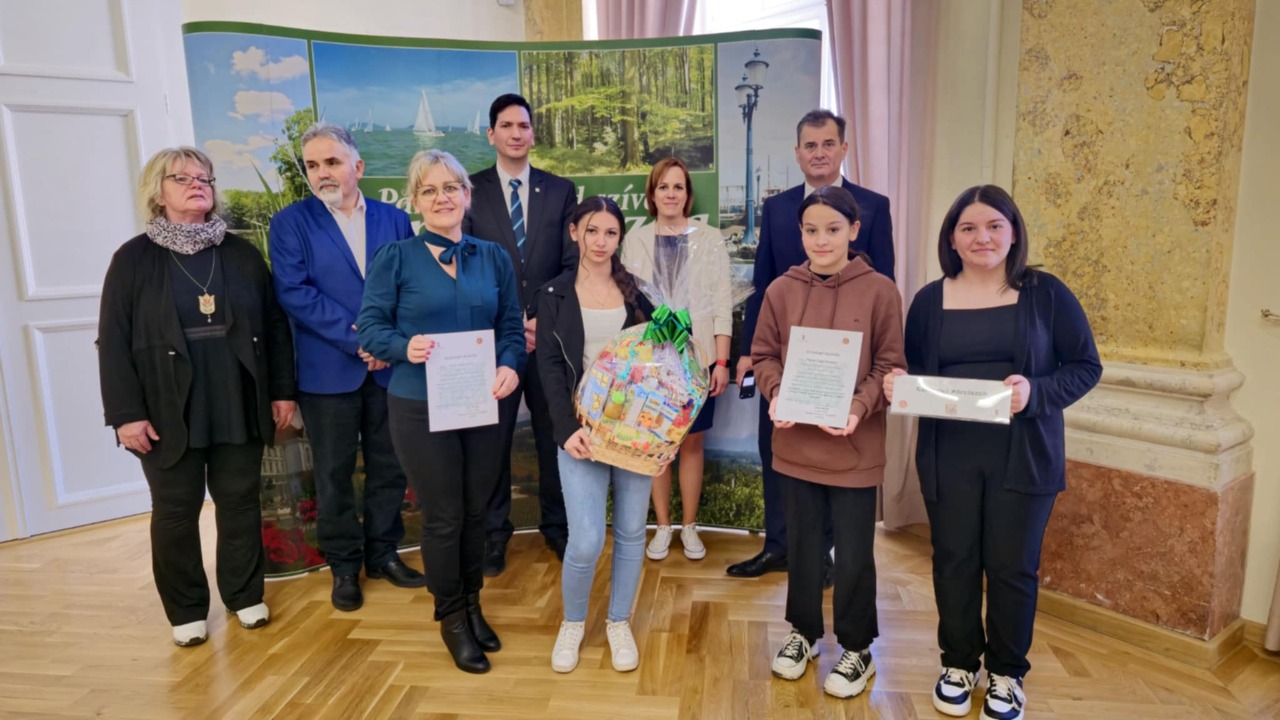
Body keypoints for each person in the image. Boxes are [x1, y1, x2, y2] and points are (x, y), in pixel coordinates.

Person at [884, 185, 1101, 720]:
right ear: (952, 239)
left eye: (994, 226)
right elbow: (916, 370)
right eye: (968, 228)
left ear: (1013, 232)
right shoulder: (929, 300)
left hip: (1023, 455)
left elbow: (1086, 367)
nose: (982, 237)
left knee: (1011, 568)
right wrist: (898, 384)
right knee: (953, 562)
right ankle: (958, 664)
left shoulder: (1046, 293)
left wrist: (1036, 392)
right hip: (948, 455)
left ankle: (1006, 673)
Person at [97, 147, 296, 646]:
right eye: (182, 178)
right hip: (166, 408)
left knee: (239, 503)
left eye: (204, 178)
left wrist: (281, 392)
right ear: (157, 192)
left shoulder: (241, 253)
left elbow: (274, 327)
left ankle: (244, 595)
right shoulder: (132, 259)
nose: (197, 185)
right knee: (175, 511)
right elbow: (113, 341)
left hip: (237, 397)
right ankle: (186, 610)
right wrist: (125, 415)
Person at [357, 149, 525, 674]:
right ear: (415, 201)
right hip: (418, 406)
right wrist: (402, 347)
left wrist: (510, 365)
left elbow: (511, 328)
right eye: (429, 190)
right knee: (444, 515)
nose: (441, 198)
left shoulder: (493, 257)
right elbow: (371, 327)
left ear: (467, 196)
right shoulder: (394, 257)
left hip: (480, 402)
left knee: (476, 511)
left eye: (451, 187)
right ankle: (451, 616)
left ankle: (472, 604)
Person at [752, 186, 903, 699]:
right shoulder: (780, 290)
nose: (822, 240)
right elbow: (764, 355)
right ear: (800, 233)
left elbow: (890, 365)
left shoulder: (880, 291)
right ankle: (804, 632)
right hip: (795, 448)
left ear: (854, 231)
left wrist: (858, 407)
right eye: (812, 230)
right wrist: (776, 392)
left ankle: (858, 648)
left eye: (833, 230)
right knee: (803, 547)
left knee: (855, 554)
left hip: (855, 449)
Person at [731, 109, 895, 580]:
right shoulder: (778, 208)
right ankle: (779, 545)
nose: (819, 153)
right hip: (786, 361)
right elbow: (763, 282)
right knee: (776, 447)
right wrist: (749, 351)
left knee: (835, 451)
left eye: (827, 144)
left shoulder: (873, 206)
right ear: (798, 153)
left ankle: (822, 553)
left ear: (844, 149)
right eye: (810, 145)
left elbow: (884, 281)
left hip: (849, 366)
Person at [269, 123, 424, 613]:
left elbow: (410, 286)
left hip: (388, 370)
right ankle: (343, 566)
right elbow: (294, 293)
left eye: (332, 162)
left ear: (358, 166)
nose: (322, 173)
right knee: (334, 474)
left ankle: (383, 554)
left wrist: (386, 344)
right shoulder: (290, 223)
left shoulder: (393, 219)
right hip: (327, 373)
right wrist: (363, 341)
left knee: (389, 466)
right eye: (312, 165)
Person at [537, 197, 656, 674]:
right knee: (586, 540)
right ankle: (573, 623)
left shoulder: (639, 294)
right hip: (581, 435)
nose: (601, 241)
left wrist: (662, 435)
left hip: (634, 436)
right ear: (575, 233)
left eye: (610, 232)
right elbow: (548, 367)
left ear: (619, 237)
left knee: (630, 533)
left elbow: (659, 366)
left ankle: (618, 621)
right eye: (592, 231)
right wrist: (566, 430)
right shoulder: (553, 294)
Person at [463, 93, 578, 575]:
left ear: (533, 134)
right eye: (507, 125)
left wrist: (540, 319)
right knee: (493, 442)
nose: (516, 133)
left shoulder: (561, 190)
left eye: (524, 126)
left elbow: (572, 263)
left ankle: (559, 528)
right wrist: (511, 322)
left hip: (549, 339)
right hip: (495, 341)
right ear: (491, 134)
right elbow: (467, 263)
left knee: (555, 437)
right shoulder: (470, 188)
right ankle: (494, 536)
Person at [621, 157, 732, 561]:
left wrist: (722, 362)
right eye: (663, 187)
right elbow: (629, 302)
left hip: (698, 359)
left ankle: (689, 525)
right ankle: (663, 526)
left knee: (692, 443)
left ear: (688, 195)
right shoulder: (635, 240)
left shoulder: (711, 239)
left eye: (678, 187)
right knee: (658, 445)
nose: (671, 194)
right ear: (652, 195)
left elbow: (722, 302)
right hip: (652, 360)